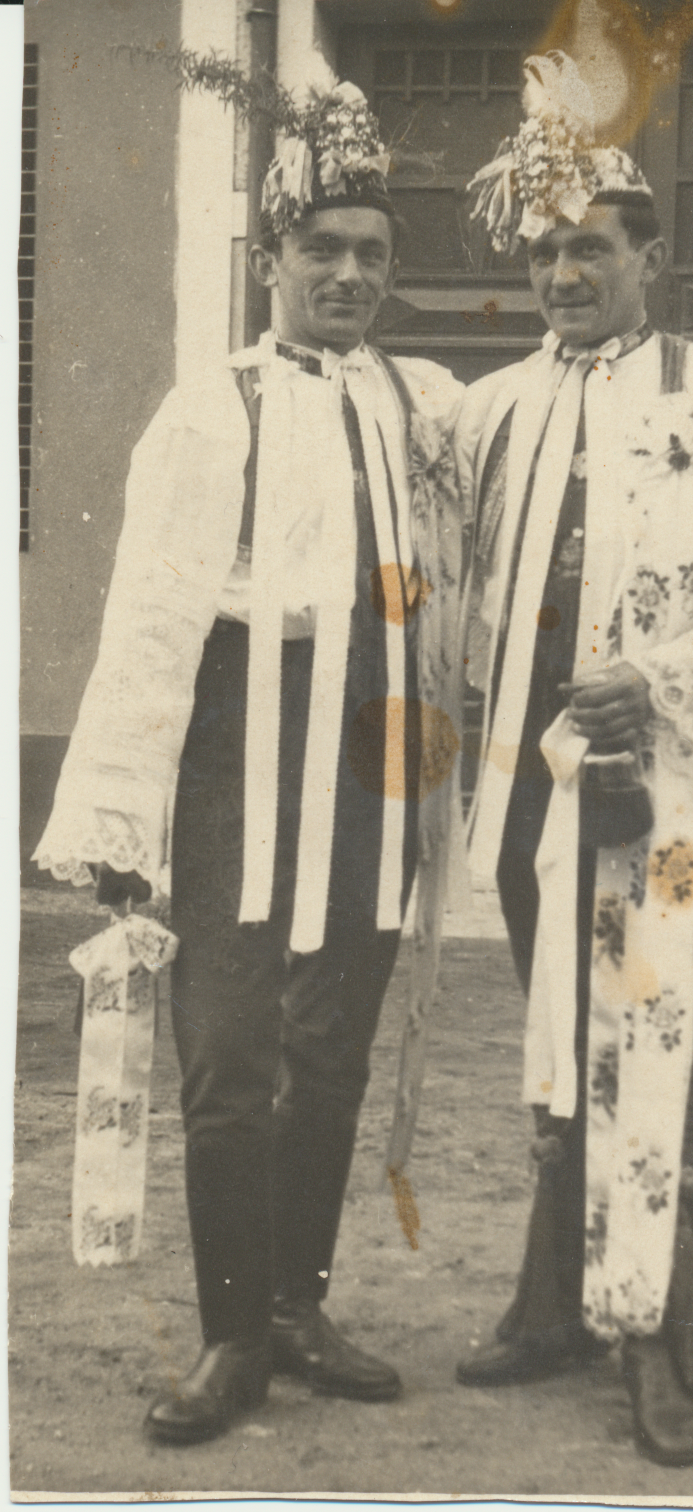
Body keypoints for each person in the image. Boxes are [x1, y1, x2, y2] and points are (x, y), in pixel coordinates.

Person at [34, 56, 464, 1446]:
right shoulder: (213, 404)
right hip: (236, 744)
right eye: (322, 248)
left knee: (331, 1041)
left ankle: (293, 1306)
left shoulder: (420, 406)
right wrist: (119, 820)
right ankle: (229, 1334)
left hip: (371, 752)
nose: (348, 274)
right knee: (228, 1047)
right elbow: (150, 617)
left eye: (372, 254)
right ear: (271, 257)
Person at [453, 52, 693, 1467]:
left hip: (656, 789)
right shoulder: (494, 408)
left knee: (656, 1038)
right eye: (546, 253)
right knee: (562, 1034)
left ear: (648, 261)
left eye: (593, 251)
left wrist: (656, 675)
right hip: (528, 789)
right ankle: (551, 1304)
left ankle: (659, 1339)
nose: (565, 276)